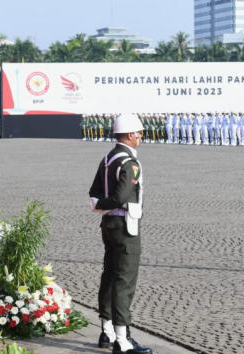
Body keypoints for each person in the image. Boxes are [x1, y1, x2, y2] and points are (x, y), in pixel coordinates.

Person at [89, 113, 151, 354]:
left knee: (109, 276)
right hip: (126, 226)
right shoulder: (129, 162)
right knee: (124, 282)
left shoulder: (108, 158)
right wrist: (106, 204)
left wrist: (98, 205)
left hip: (109, 226)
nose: (140, 138)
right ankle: (123, 341)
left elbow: (94, 191)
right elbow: (122, 197)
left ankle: (106, 330)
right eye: (139, 134)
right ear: (129, 134)